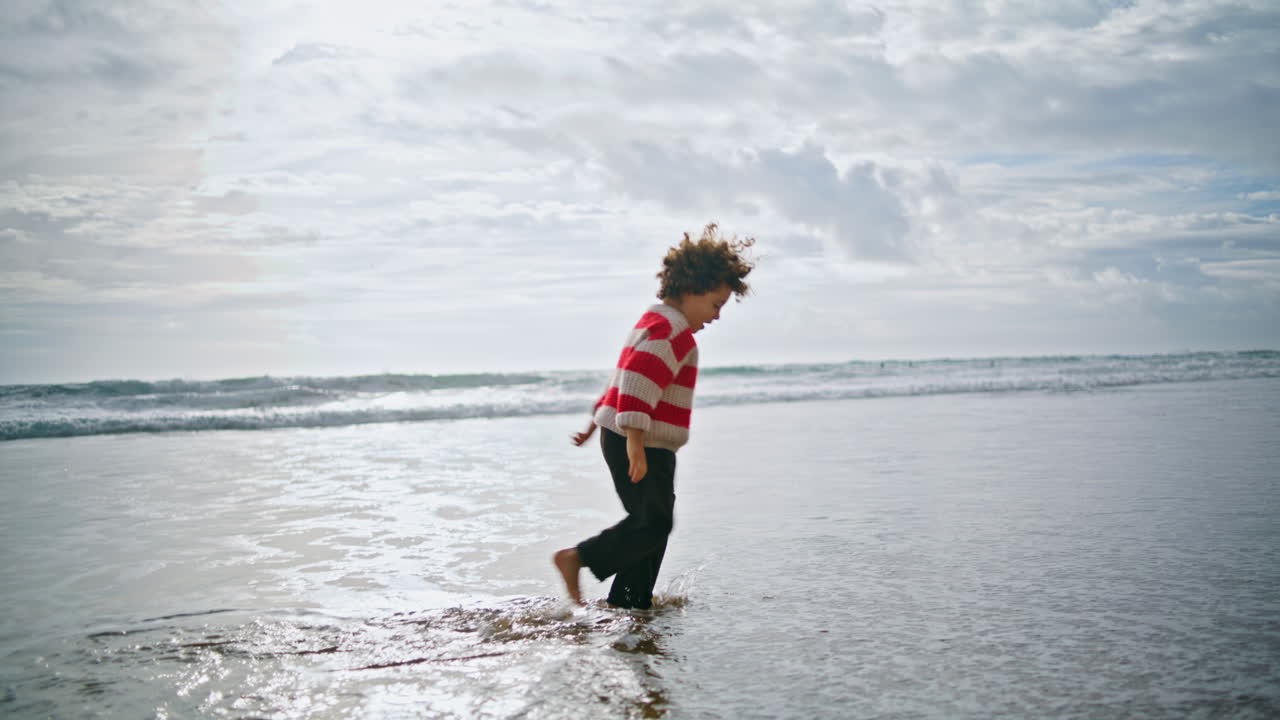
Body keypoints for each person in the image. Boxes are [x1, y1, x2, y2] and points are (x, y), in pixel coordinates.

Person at [553, 224, 755, 609]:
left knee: (651, 525)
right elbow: (637, 383)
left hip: (635, 437)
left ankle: (631, 600)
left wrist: (593, 426)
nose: (715, 317)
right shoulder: (671, 332)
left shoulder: (654, 323)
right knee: (654, 522)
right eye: (715, 304)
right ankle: (578, 558)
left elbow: (621, 379)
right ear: (691, 289)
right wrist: (635, 443)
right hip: (641, 441)